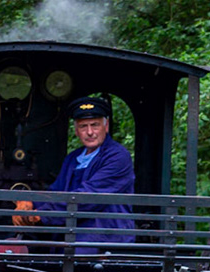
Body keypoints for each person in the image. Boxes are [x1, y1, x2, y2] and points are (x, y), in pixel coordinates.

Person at [20, 96, 135, 251]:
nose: (89, 132)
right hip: (72, 236)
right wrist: (30, 203)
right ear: (76, 131)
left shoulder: (118, 156)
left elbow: (89, 196)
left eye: (95, 125)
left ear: (106, 126)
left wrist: (43, 214)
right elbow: (56, 192)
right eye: (83, 126)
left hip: (104, 239)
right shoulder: (73, 158)